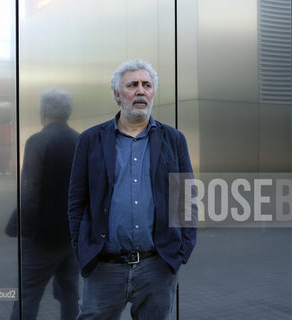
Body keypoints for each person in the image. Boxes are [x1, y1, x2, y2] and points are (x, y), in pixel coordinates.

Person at [68, 59, 197, 319]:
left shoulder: (173, 139)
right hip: (104, 267)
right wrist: (82, 247)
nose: (141, 90)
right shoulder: (91, 140)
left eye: (147, 85)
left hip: (157, 266)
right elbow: (76, 201)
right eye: (133, 85)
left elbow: (186, 198)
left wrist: (182, 251)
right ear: (117, 94)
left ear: (152, 93)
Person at [10, 88, 80, 320]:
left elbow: (30, 192)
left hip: (43, 238)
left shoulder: (38, 141)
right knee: (70, 293)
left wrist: (26, 231)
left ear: (44, 111)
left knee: (28, 295)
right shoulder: (79, 140)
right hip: (71, 236)